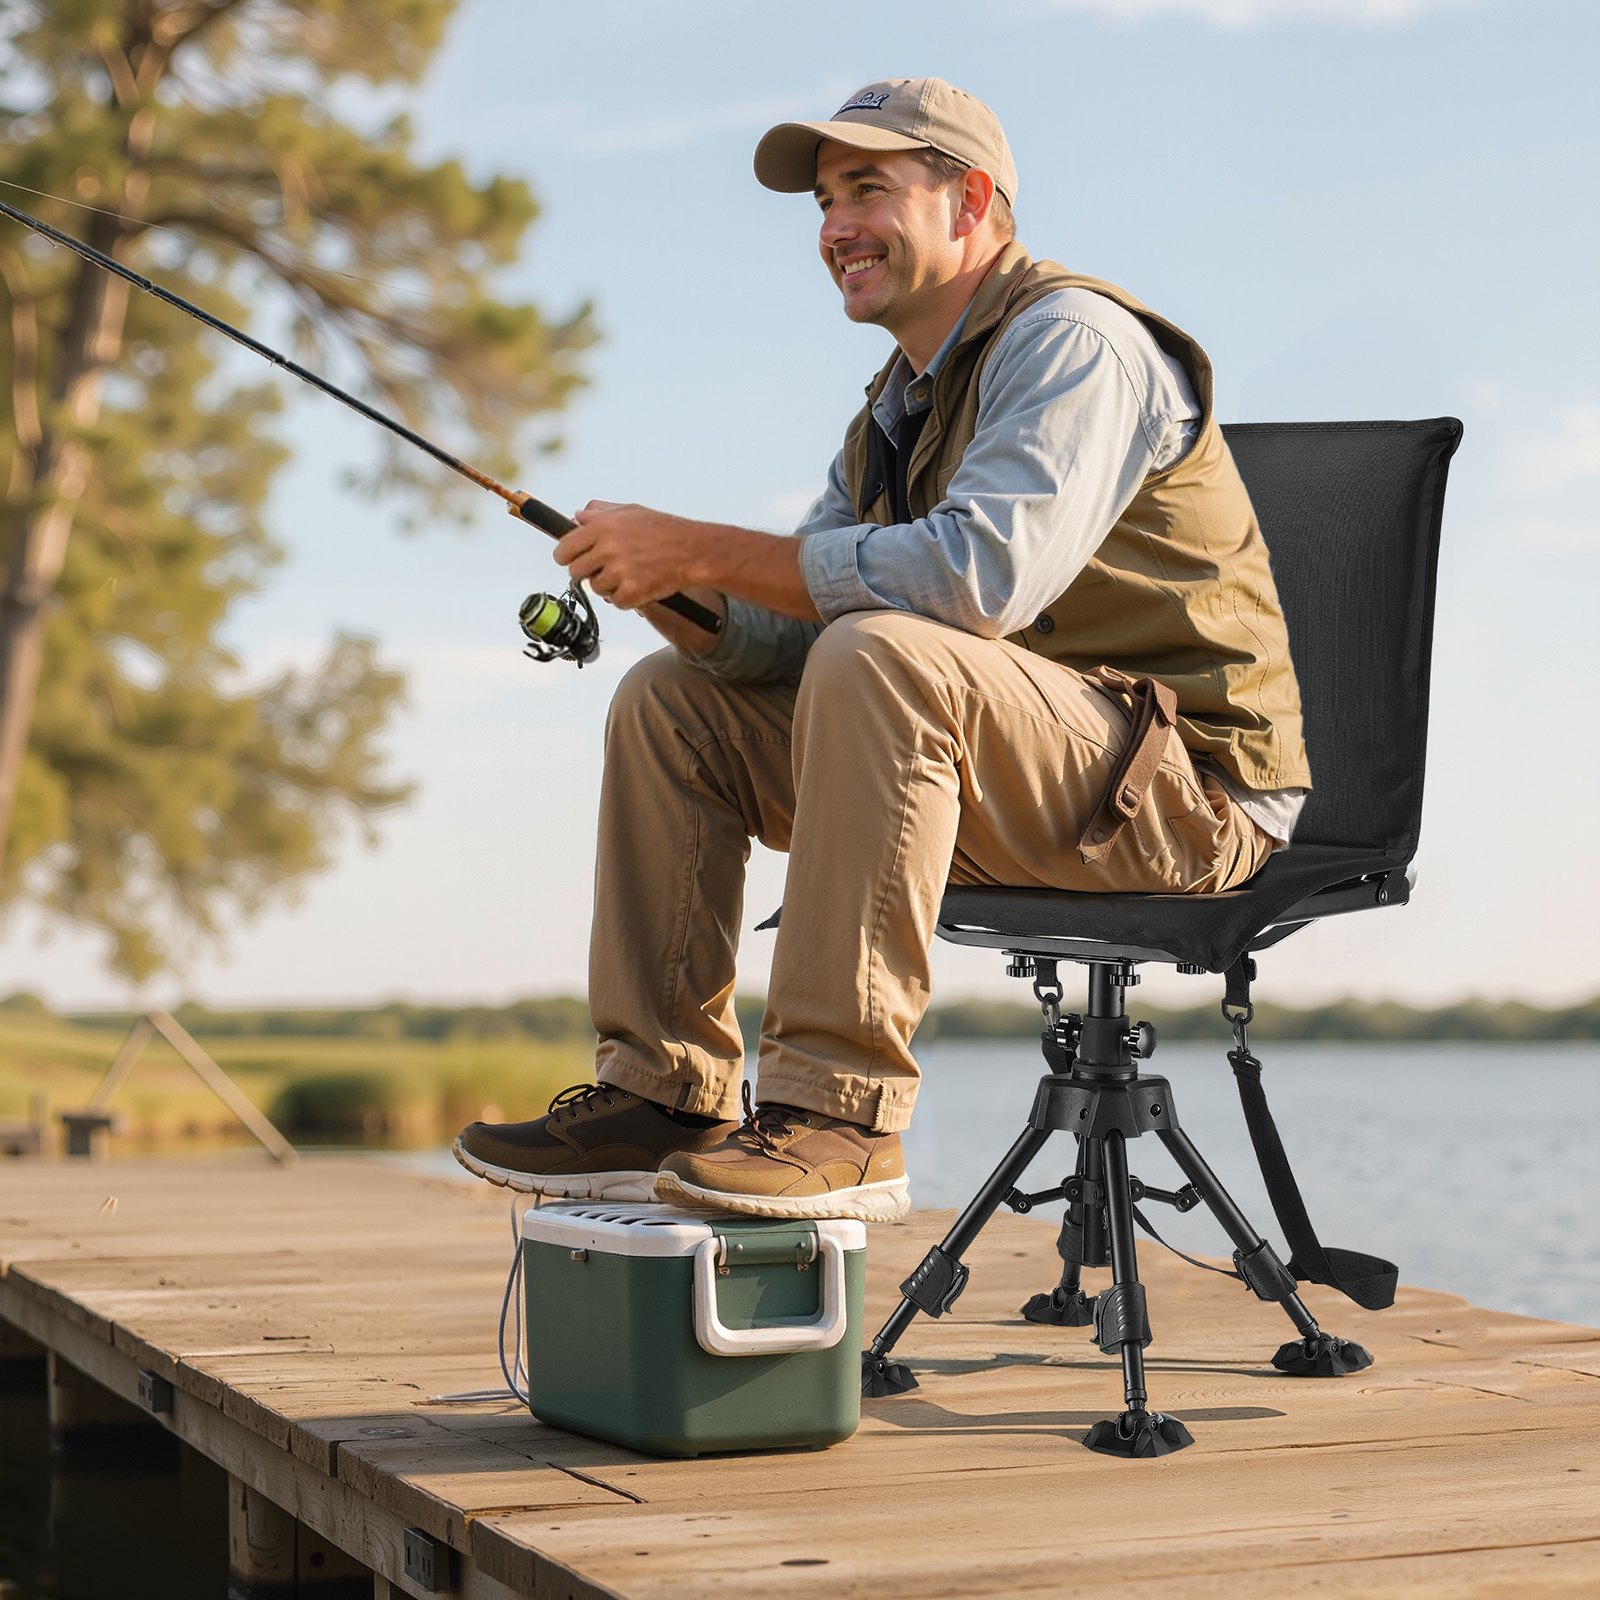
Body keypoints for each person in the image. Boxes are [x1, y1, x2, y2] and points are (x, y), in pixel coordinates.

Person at [454, 77, 1310, 1223]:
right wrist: (670, 590)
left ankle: (841, 1118)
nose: (834, 228)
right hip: (1015, 768)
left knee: (883, 654)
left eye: (866, 190)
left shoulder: (1075, 342)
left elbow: (974, 579)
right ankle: (664, 1094)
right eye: (823, 202)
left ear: (971, 202)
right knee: (669, 698)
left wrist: (697, 544)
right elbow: (783, 633)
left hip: (1187, 798)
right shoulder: (890, 413)